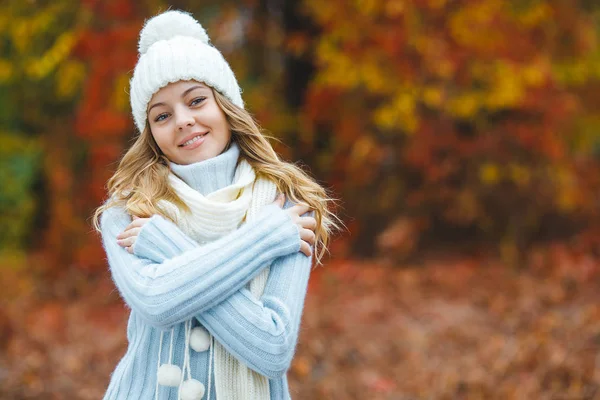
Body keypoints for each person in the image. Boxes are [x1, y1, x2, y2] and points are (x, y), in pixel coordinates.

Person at [92, 9, 338, 400]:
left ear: (226, 104)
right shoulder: (129, 210)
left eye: (196, 100)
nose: (184, 121)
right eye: (162, 115)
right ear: (151, 133)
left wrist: (165, 247)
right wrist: (265, 239)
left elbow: (272, 348)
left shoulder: (288, 204)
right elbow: (157, 302)